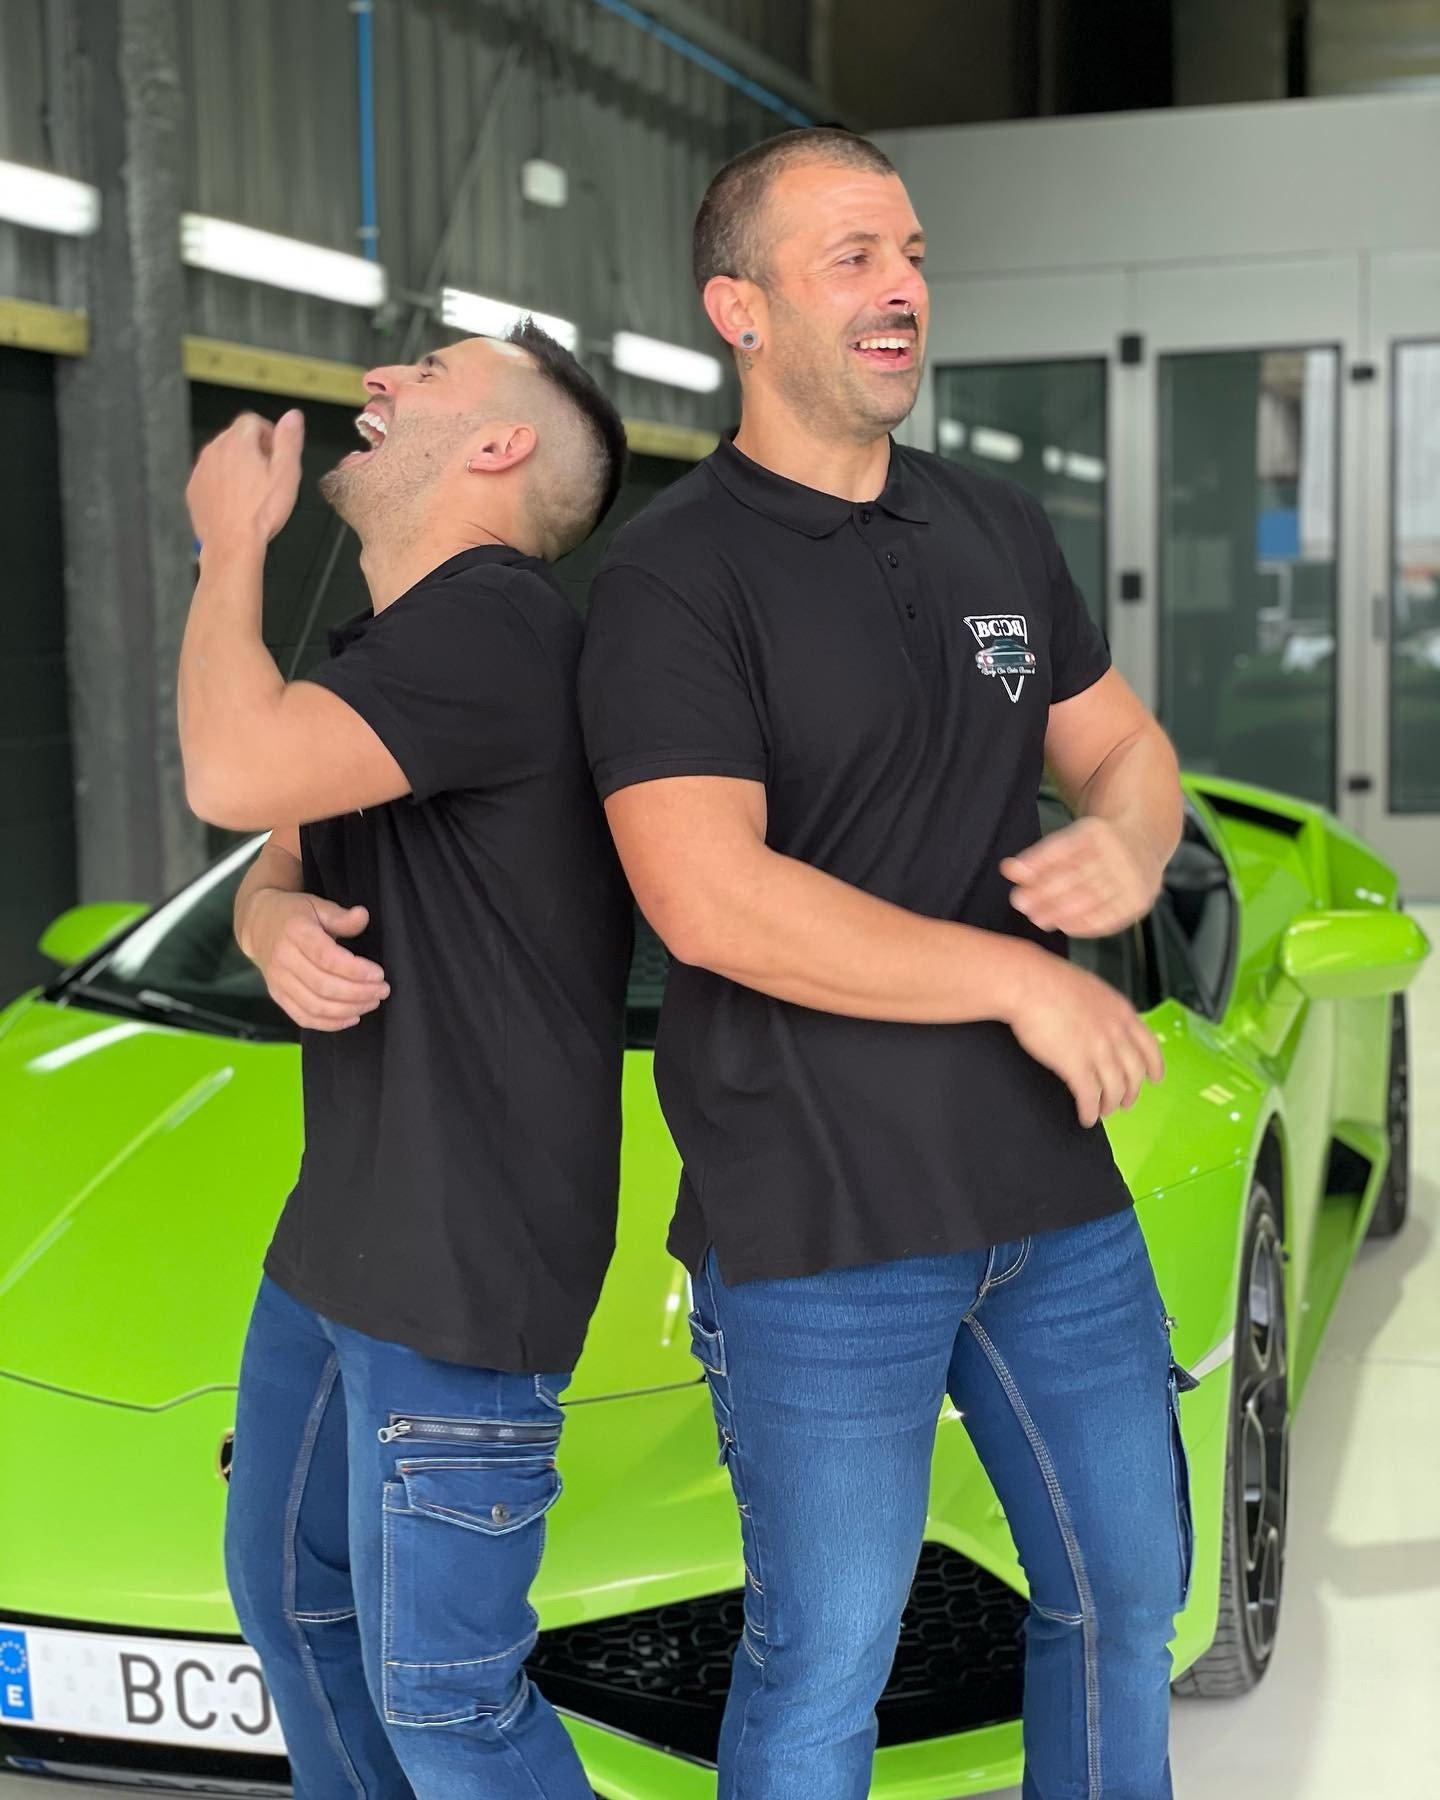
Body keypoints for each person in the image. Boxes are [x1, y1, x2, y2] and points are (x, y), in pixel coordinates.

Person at [578, 129, 1189, 1800]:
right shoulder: (673, 577)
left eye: (911, 253)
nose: (903, 286)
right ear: (741, 309)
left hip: (1049, 1192)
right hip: (820, 1220)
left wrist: (1132, 837)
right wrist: (1020, 977)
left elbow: (1124, 748)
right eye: (852, 256)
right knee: (828, 1660)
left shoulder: (994, 526)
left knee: (1127, 1593)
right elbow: (710, 899)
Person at [178, 320, 632, 1800]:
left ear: (500, 446)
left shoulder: (498, 625)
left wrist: (228, 548)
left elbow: (228, 767)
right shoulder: (406, 648)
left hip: (459, 1268)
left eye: (429, 373)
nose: (380, 379)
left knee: (447, 1705)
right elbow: (277, 839)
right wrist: (267, 920)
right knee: (298, 1614)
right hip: (339, 1247)